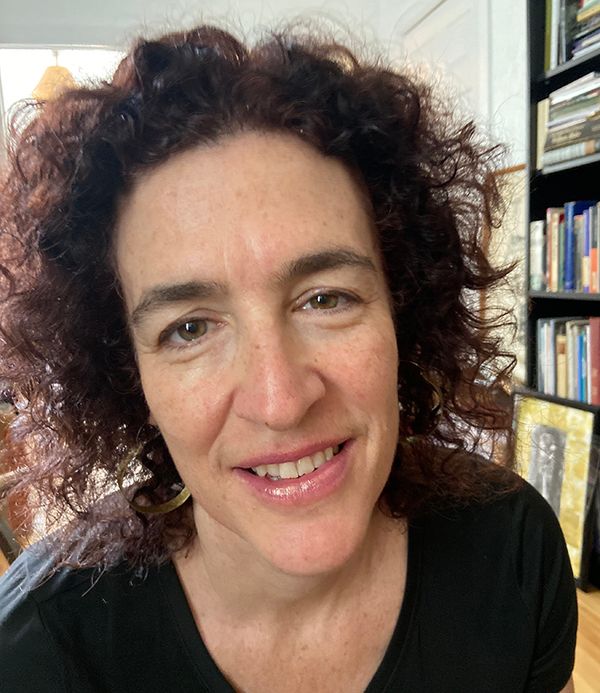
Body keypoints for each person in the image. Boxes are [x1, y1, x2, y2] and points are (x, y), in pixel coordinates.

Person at [0, 24, 576, 693]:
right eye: (190, 328)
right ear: (130, 376)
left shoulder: (511, 550)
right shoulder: (38, 652)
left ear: (402, 307)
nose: (280, 401)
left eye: (325, 298)